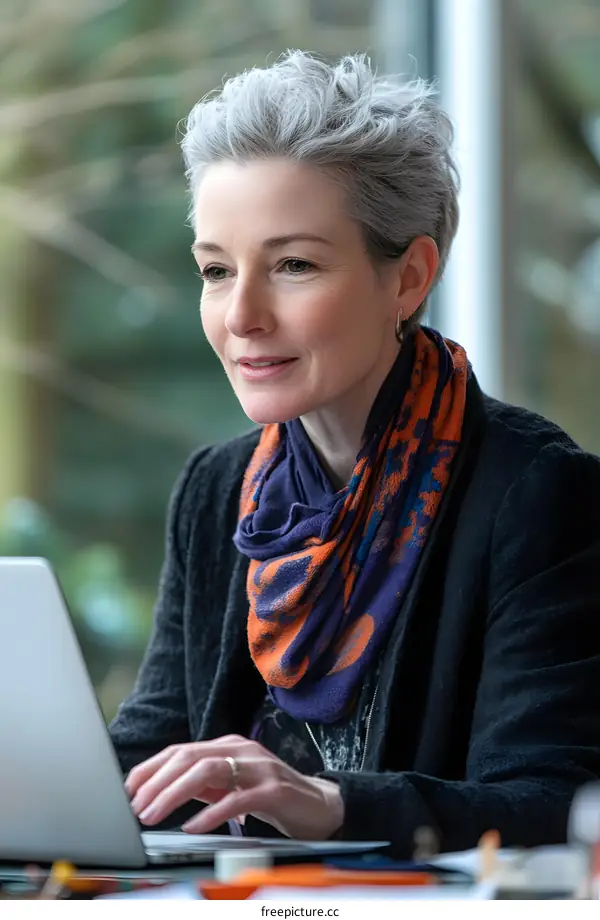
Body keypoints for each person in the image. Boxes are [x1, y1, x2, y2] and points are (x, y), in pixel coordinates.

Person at [110, 50, 600, 858]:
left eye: (294, 265)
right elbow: (150, 761)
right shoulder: (216, 488)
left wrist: (330, 803)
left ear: (408, 278)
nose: (242, 316)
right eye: (215, 270)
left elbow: (556, 806)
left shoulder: (539, 495)